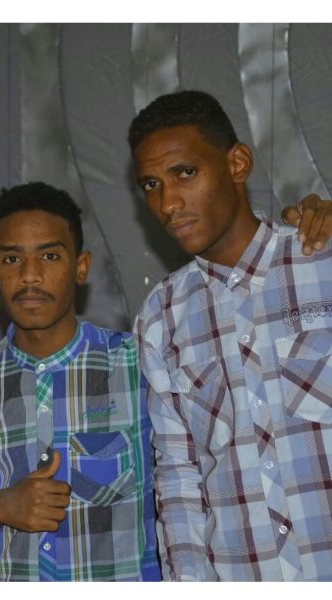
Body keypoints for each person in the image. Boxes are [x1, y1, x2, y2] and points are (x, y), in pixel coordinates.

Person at [129, 89, 332, 581]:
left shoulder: (321, 260)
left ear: (237, 163)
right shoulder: (160, 318)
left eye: (185, 173)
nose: (168, 203)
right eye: (152, 184)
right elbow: (177, 477)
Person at [0, 182, 160, 581]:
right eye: (12, 259)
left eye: (50, 256)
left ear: (81, 267)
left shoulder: (137, 365)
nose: (30, 276)